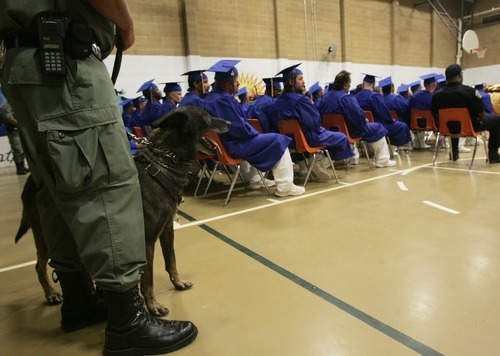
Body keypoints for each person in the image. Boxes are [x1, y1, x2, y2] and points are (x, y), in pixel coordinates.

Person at [0, 1, 197, 355]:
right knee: (106, 185)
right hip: (65, 61)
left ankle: (78, 301)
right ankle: (127, 322)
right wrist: (125, 24)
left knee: (56, 187)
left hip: (24, 64)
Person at [202, 59, 305, 197]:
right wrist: (255, 134)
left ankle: (256, 180)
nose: (238, 83)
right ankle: (286, 187)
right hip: (234, 145)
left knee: (268, 139)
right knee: (280, 140)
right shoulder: (224, 100)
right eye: (236, 81)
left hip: (223, 145)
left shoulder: (209, 99)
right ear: (227, 84)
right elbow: (238, 129)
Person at [268, 64, 354, 180]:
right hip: (308, 138)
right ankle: (320, 161)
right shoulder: (301, 101)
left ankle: (316, 159)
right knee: (342, 137)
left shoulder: (276, 103)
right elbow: (314, 122)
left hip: (289, 140)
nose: (303, 82)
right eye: (300, 79)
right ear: (291, 81)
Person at [319, 70, 395, 168]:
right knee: (378, 127)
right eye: (349, 84)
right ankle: (383, 160)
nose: (350, 86)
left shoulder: (325, 98)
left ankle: (354, 157)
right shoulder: (346, 98)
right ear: (345, 85)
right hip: (350, 131)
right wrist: (364, 120)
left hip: (330, 132)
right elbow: (357, 116)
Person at [431, 64, 500, 163]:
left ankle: (454, 153)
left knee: (453, 120)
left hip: (447, 128)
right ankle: (493, 155)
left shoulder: (437, 94)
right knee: (498, 120)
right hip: (471, 127)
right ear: (460, 75)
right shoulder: (470, 92)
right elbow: (481, 114)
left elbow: (435, 113)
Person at [355, 74, 412, 149]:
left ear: (363, 83)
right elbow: (383, 113)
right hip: (376, 125)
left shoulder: (356, 96)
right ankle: (391, 149)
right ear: (374, 85)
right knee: (402, 126)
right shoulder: (375, 96)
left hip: (361, 126)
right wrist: (391, 120)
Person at [408, 73, 441, 149]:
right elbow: (436, 112)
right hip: (430, 123)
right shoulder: (434, 97)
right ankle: (442, 142)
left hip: (414, 123)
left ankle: (418, 142)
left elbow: (409, 108)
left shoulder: (414, 96)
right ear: (435, 85)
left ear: (424, 84)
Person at [0, 90, 29, 174]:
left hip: (18, 128)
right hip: (13, 130)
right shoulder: (4, 106)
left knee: (22, 149)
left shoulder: (11, 103)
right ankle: (19, 168)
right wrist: (21, 125)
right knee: (18, 149)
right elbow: (9, 119)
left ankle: (22, 167)